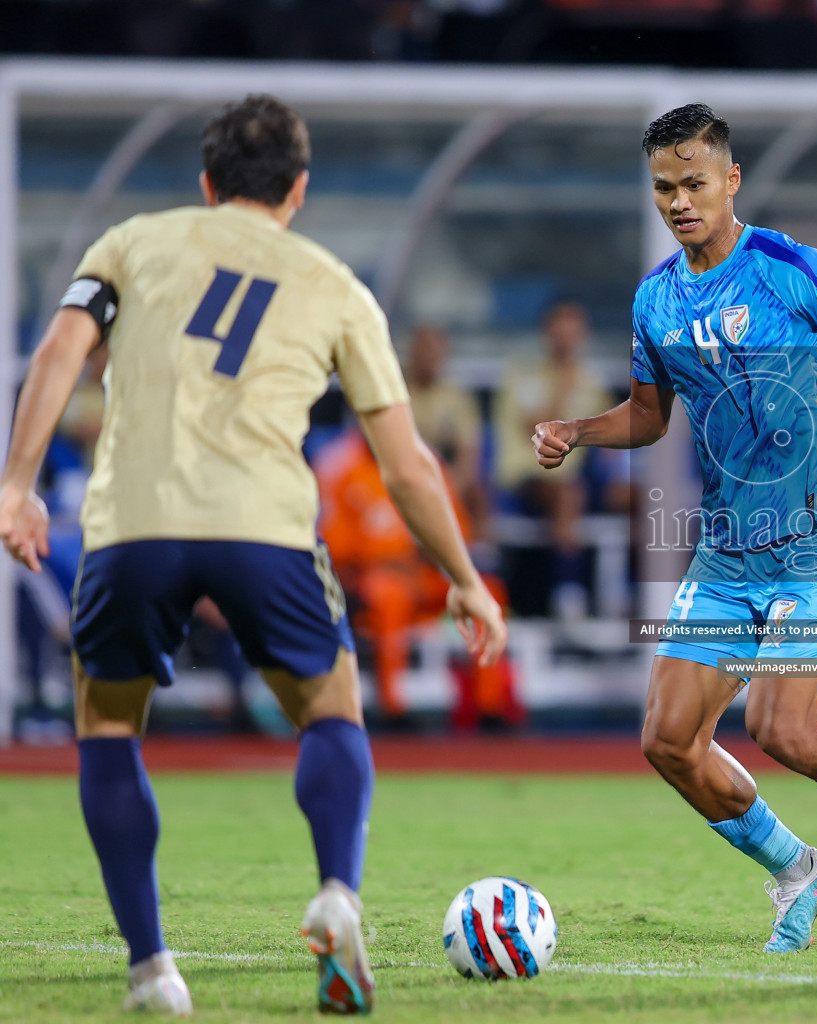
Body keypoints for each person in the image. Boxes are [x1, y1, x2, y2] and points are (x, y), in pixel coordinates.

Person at [0, 95, 506, 1016]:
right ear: (299, 190)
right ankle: (337, 896)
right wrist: (464, 580)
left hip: (132, 525)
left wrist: (16, 484)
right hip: (263, 527)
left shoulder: (132, 243)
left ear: (206, 182)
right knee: (329, 709)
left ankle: (153, 972)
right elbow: (408, 464)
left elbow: (58, 352)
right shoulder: (336, 286)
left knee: (107, 727)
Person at [531, 103, 817, 952]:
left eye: (694, 183)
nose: (679, 201)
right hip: (727, 555)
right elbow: (652, 419)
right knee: (666, 740)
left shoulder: (787, 267)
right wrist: (577, 430)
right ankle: (796, 867)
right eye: (664, 188)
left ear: (730, 181)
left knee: (781, 729)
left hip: (814, 540)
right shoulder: (655, 299)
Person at [315, 424, 519, 730]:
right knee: (388, 594)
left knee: (487, 592)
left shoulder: (422, 460)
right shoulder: (339, 466)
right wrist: (388, 564)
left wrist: (429, 558)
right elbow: (334, 549)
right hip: (371, 580)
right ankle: (393, 708)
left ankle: (489, 707)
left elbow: (455, 532)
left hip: (423, 574)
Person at [494, 300, 612, 618]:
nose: (566, 336)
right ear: (548, 331)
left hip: (583, 478)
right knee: (567, 494)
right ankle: (567, 591)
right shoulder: (524, 373)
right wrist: (563, 384)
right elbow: (543, 431)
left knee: (647, 497)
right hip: (531, 477)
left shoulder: (592, 380)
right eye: (560, 326)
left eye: (573, 327)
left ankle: (646, 596)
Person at [405, 324, 484, 517]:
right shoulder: (396, 395)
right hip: (405, 473)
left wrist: (449, 487)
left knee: (479, 495)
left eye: (434, 349)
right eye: (423, 348)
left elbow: (468, 454)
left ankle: (480, 547)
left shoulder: (458, 398)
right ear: (412, 353)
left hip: (446, 476)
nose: (428, 356)